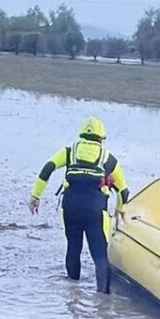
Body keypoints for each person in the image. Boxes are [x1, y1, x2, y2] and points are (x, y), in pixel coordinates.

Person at [29, 117, 129, 294]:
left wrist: (35, 196)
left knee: (73, 248)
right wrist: (120, 210)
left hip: (71, 209)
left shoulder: (69, 152)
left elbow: (47, 168)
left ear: (82, 134)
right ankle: (102, 300)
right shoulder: (109, 159)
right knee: (99, 255)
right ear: (102, 137)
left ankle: (73, 294)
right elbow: (123, 191)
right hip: (95, 211)